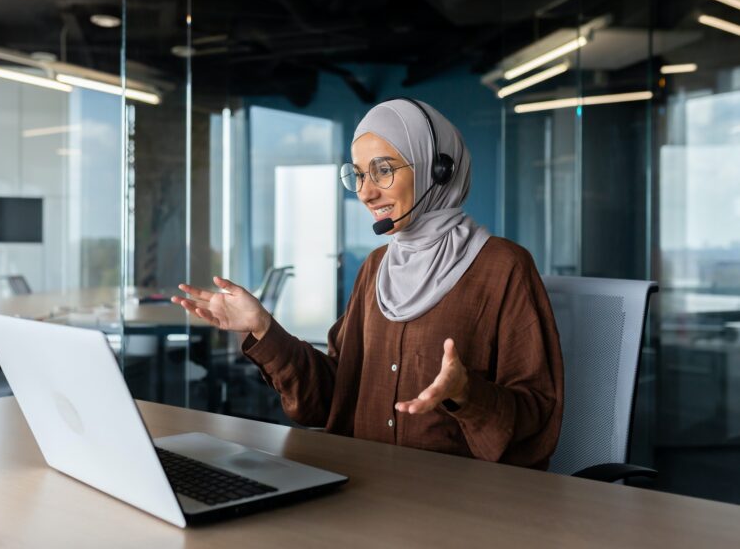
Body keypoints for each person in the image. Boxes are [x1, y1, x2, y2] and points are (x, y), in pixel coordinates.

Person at [175, 99, 564, 469]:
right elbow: (334, 396)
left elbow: (537, 415)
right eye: (358, 175)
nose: (366, 192)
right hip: (364, 485)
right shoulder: (377, 267)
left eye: (383, 170)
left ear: (437, 169)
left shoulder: (504, 266)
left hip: (457, 501)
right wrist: (263, 327)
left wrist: (466, 393)